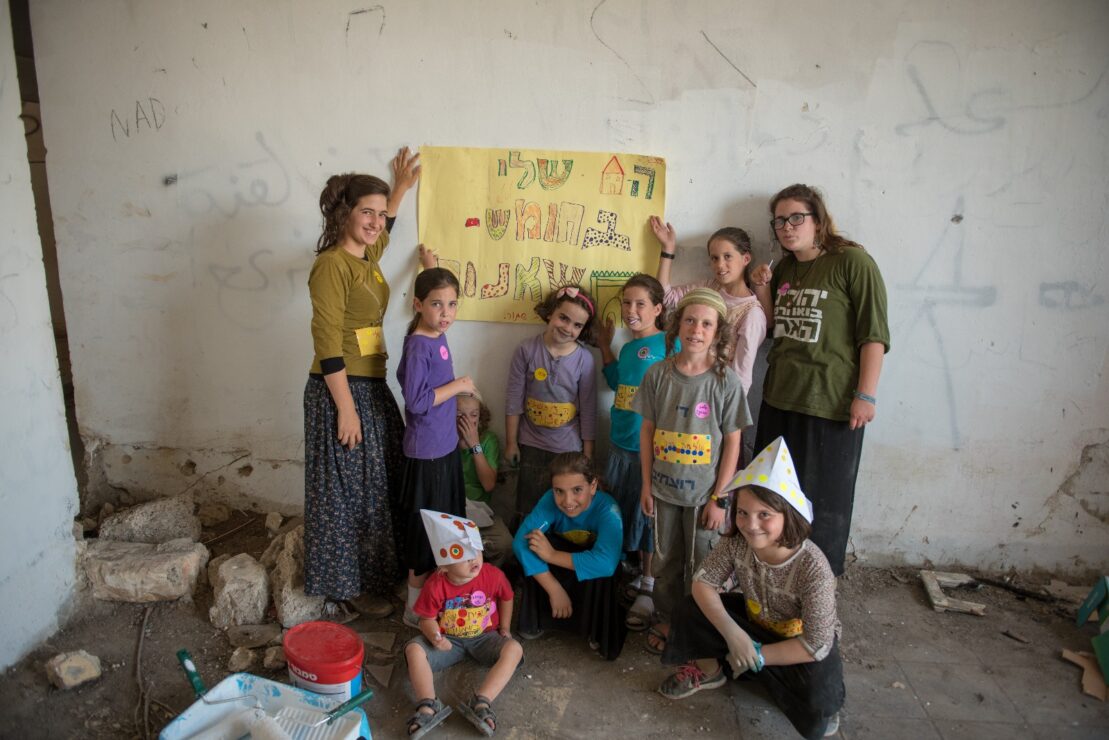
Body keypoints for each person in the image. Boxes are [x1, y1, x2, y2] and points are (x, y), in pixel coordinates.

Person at [658, 437, 844, 739]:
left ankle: (752, 666)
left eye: (764, 515)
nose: (750, 524)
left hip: (797, 641)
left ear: (788, 513)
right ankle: (710, 671)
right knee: (689, 608)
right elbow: (703, 582)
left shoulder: (814, 567)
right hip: (754, 622)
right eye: (742, 512)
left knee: (819, 708)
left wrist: (758, 655)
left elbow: (816, 643)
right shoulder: (736, 542)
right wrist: (735, 635)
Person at [750, 184, 890, 576]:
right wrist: (761, 288)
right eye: (780, 221)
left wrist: (866, 395)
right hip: (779, 398)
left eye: (796, 217)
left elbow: (874, 335)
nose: (787, 227)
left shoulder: (852, 262)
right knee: (772, 498)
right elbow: (773, 326)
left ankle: (819, 586)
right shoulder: (785, 269)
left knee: (824, 506)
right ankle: (772, 579)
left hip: (830, 404)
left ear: (818, 219)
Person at [303, 148, 419, 616]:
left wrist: (400, 189)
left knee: (377, 485)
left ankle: (376, 576)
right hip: (340, 388)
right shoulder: (332, 265)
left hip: (370, 384)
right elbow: (326, 340)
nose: (375, 222)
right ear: (344, 213)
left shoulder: (366, 256)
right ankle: (346, 588)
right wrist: (346, 409)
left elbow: (383, 232)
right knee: (345, 494)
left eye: (379, 213)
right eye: (365, 212)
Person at [633, 288, 752, 655]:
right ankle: (668, 618)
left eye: (706, 324)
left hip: (704, 498)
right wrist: (646, 485)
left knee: (702, 565)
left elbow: (733, 442)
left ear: (718, 332)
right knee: (665, 562)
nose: (696, 330)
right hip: (663, 492)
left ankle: (698, 627)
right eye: (689, 320)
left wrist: (720, 498)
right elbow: (647, 431)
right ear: (677, 325)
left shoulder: (725, 382)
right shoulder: (658, 374)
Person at [397, 261, 474, 626]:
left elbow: (436, 295)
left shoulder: (435, 334)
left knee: (446, 526)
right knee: (424, 533)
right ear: (418, 305)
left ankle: (435, 600)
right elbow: (417, 401)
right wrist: (459, 386)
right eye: (436, 304)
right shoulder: (418, 346)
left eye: (452, 304)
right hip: (426, 454)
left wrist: (431, 266)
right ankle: (413, 610)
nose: (446, 313)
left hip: (444, 448)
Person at [405, 510, 522, 738]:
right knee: (413, 649)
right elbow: (426, 618)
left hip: (486, 637)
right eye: (462, 556)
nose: (473, 559)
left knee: (515, 649)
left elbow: (507, 596)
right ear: (443, 567)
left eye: (476, 551)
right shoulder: (435, 585)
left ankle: (482, 702)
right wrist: (435, 637)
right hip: (449, 641)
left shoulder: (493, 575)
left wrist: (505, 628)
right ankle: (427, 705)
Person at [596, 274, 670, 632]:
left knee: (647, 518)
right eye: (627, 302)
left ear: (658, 308)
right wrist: (604, 345)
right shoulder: (627, 348)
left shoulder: (669, 344)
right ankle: (631, 573)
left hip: (649, 451)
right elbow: (615, 382)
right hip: (619, 445)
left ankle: (649, 585)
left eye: (640, 303)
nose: (631, 310)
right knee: (622, 513)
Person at [512, 452, 627, 660]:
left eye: (577, 490)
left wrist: (552, 555)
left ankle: (594, 630)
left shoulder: (608, 510)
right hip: (563, 565)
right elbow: (521, 542)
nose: (567, 501)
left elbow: (606, 563)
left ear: (593, 486)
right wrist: (554, 589)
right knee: (533, 545)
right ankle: (538, 620)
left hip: (591, 568)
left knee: (602, 571)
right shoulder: (549, 501)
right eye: (559, 491)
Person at [504, 286, 598, 529]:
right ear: (550, 313)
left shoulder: (584, 359)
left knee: (564, 508)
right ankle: (526, 549)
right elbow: (514, 400)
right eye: (563, 318)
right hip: (531, 444)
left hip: (568, 448)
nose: (568, 328)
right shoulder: (526, 350)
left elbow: (588, 410)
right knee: (529, 507)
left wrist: (588, 453)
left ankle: (557, 548)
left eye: (577, 325)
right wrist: (511, 442)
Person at [651, 219, 767, 398]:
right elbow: (666, 297)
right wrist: (668, 249)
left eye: (727, 256)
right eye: (714, 258)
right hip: (686, 387)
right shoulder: (708, 288)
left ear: (745, 259)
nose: (720, 265)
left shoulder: (751, 314)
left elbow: (741, 376)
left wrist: (729, 411)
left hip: (715, 397)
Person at [456, 388, 513, 567]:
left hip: (479, 514)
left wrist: (475, 445)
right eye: (459, 415)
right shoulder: (445, 439)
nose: (467, 421)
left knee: (505, 543)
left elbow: (489, 485)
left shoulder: (488, 440)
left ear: (481, 417)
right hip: (452, 511)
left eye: (473, 415)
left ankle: (487, 576)